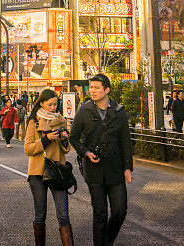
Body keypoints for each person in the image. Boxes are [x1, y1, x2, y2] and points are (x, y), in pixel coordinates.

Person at [69, 73, 132, 246]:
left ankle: (107, 241)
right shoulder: (84, 110)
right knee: (100, 214)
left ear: (107, 90)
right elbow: (73, 137)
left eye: (97, 88)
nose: (93, 91)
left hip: (116, 168)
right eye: (91, 87)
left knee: (120, 210)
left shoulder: (119, 112)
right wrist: (86, 153)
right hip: (93, 169)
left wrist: (128, 168)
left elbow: (125, 141)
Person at [24, 89, 73, 246]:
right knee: (40, 216)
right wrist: (46, 139)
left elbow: (66, 149)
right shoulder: (34, 121)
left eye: (55, 104)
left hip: (58, 171)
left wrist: (65, 139)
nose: (53, 107)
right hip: (38, 173)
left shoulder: (61, 120)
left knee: (63, 215)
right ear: (42, 103)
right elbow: (28, 149)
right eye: (50, 104)